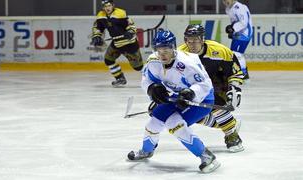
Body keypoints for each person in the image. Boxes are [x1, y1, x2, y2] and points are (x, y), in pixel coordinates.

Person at [127, 29, 220, 173]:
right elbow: (146, 79)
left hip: (201, 99)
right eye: (159, 49)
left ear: (173, 48)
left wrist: (191, 93)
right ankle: (146, 151)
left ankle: (207, 156)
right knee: (153, 123)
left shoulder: (187, 63)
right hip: (175, 96)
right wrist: (151, 88)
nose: (162, 54)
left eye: (166, 49)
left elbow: (205, 85)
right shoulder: (153, 61)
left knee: (173, 124)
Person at [178, 24, 244, 152]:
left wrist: (234, 89)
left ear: (203, 39)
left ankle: (231, 134)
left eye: (196, 40)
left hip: (218, 84)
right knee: (188, 114)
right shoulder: (180, 54)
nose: (192, 44)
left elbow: (235, 72)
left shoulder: (220, 51)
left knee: (214, 104)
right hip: (194, 87)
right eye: (189, 40)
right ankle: (229, 123)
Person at [90, 0, 143, 87]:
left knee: (138, 67)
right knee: (108, 60)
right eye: (105, 6)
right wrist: (97, 36)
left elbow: (131, 24)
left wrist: (130, 31)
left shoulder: (121, 13)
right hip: (117, 43)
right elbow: (98, 27)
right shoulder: (101, 15)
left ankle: (154, 78)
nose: (107, 8)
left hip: (129, 44)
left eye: (109, 5)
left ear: (113, 6)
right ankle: (120, 78)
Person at [222, 0, 253, 79]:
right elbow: (235, 21)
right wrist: (232, 30)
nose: (225, 2)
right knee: (233, 54)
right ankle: (239, 72)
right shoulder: (228, 9)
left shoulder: (239, 7)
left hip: (244, 34)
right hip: (238, 34)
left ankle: (243, 73)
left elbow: (244, 22)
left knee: (237, 54)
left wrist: (233, 28)